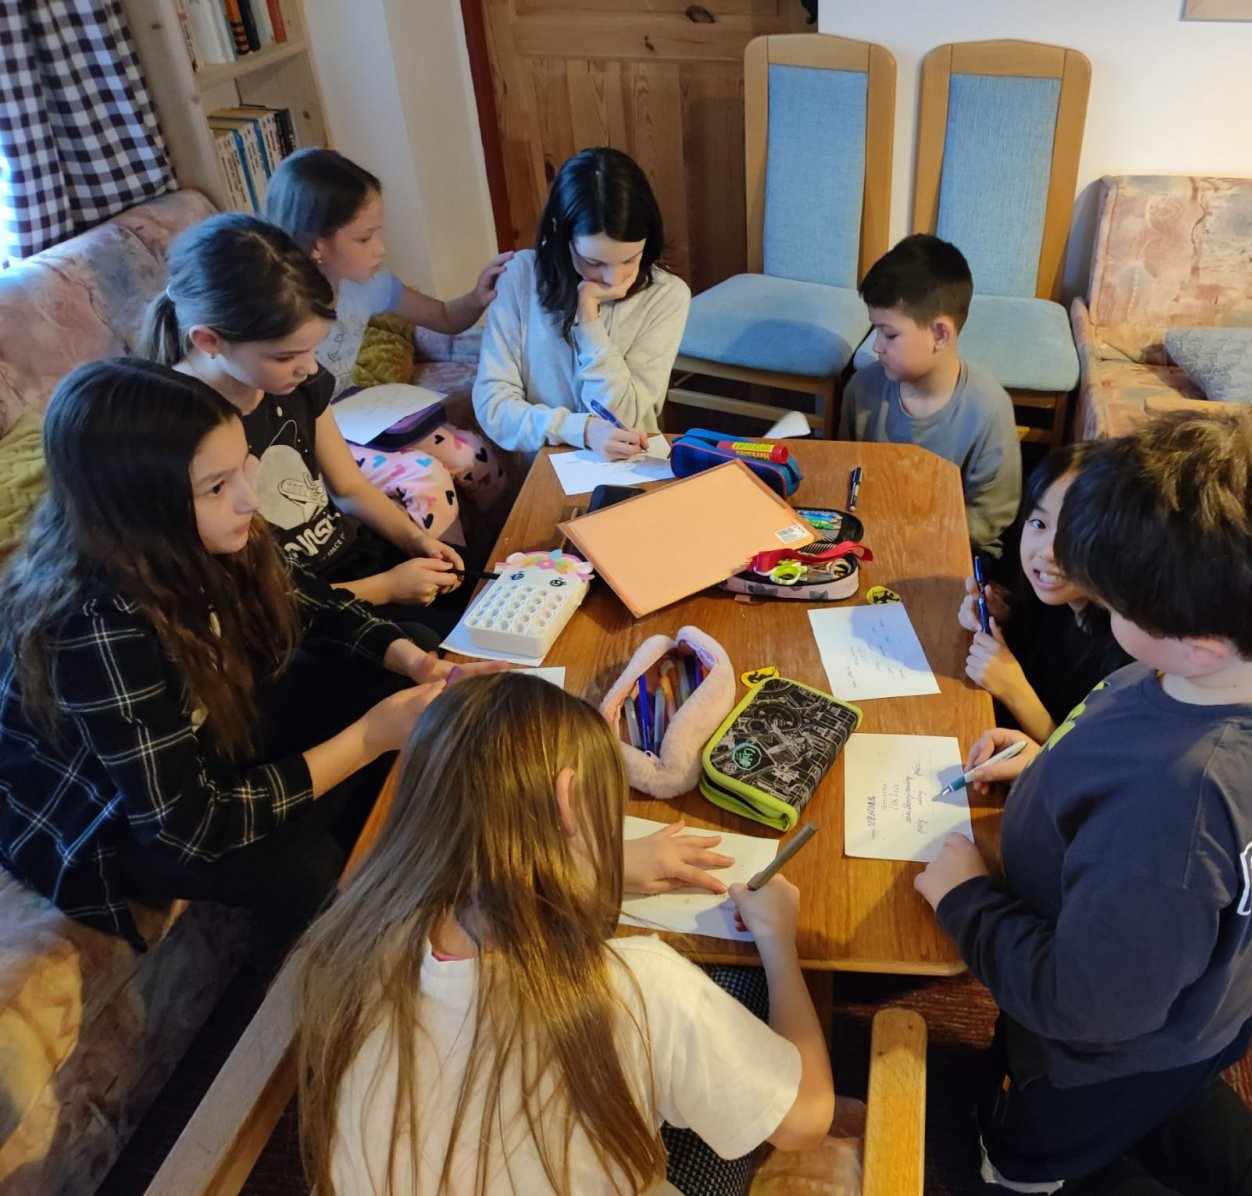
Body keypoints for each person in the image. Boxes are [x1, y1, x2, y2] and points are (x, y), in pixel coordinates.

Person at [914, 409, 1252, 1193]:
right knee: (1176, 1101)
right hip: (1186, 997)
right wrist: (1054, 768)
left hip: (1094, 1056)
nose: (1101, 614)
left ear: (1197, 643)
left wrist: (965, 897)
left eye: (1114, 608)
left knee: (1029, 1155)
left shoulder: (1179, 807)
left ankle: (1020, 1176)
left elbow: (1084, 1007)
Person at [0, 360, 497, 950]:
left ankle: (397, 849)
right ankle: (322, 960)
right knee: (303, 869)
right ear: (138, 510)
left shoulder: (210, 529)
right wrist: (370, 737)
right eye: (216, 486)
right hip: (119, 816)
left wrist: (413, 662)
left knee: (402, 647)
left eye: (244, 467)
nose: (248, 496)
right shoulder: (95, 625)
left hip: (204, 723)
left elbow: (309, 602)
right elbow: (185, 826)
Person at [295, 673, 835, 1195]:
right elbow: (806, 1121)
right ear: (568, 801)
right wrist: (778, 939)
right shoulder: (641, 988)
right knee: (743, 992)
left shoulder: (347, 947)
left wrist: (593, 864)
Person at [140, 212, 468, 640]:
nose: (309, 368)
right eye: (286, 356)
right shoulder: (180, 427)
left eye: (313, 349)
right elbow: (252, 604)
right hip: (299, 614)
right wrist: (387, 588)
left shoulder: (295, 381)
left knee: (480, 593)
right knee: (435, 645)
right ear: (209, 341)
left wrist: (414, 540)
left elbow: (349, 487)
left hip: (350, 561)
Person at [266, 148, 512, 533]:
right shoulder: (282, 309)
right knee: (425, 480)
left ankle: (507, 548)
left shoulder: (368, 286)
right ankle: (445, 570)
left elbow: (444, 318)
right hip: (312, 436)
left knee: (473, 455)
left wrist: (478, 296)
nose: (381, 248)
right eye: (364, 238)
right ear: (317, 245)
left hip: (359, 417)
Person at [473, 147, 690, 460]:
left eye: (630, 259)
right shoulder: (520, 277)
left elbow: (625, 419)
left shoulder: (666, 296)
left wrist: (588, 321)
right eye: (593, 262)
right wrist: (580, 430)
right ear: (562, 239)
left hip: (629, 469)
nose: (614, 279)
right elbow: (493, 406)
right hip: (543, 467)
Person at [838, 234, 1021, 558]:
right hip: (870, 540)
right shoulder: (861, 389)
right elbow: (846, 476)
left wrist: (912, 538)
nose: (876, 346)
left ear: (940, 334)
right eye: (875, 330)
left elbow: (989, 517)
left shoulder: (989, 409)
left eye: (889, 334)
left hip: (953, 549)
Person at [958, 446, 1130, 741]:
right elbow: (1040, 645)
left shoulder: (1127, 648)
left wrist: (1014, 690)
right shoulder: (1058, 597)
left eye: (1073, 533)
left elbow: (1078, 757)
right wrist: (1003, 615)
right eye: (1039, 523)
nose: (1048, 552)